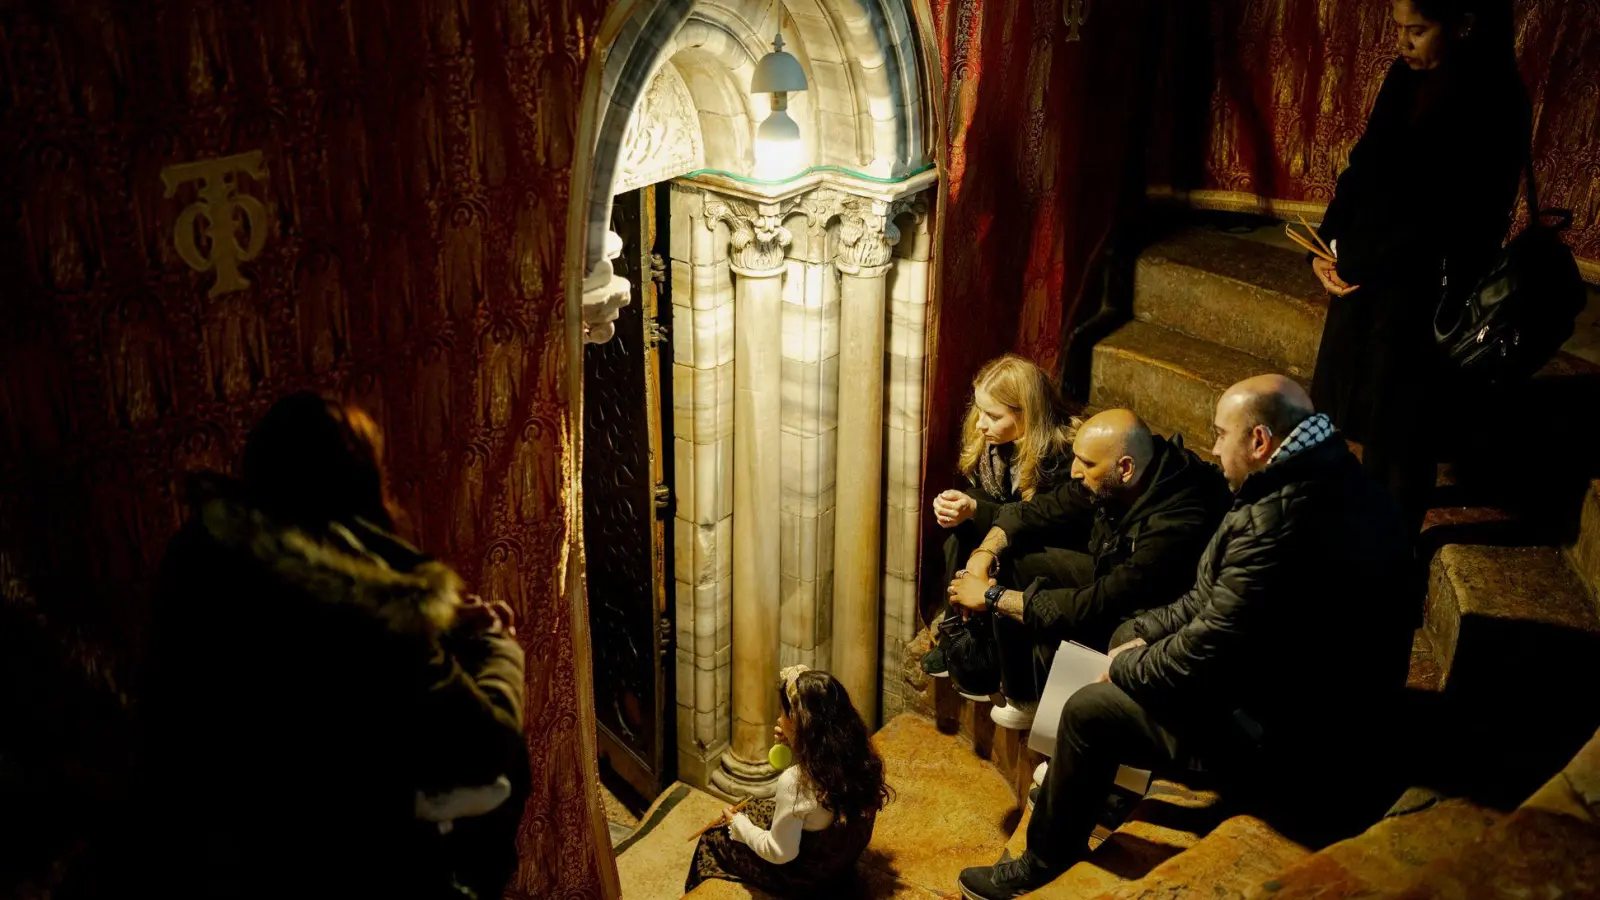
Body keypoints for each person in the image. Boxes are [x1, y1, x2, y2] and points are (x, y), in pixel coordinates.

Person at [957, 376, 1412, 900]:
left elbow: (1207, 647)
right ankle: (1090, 782)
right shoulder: (1317, 478)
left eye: (1221, 434)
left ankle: (1040, 863)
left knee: (1090, 708)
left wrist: (1126, 666)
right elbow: (1209, 600)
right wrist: (1143, 635)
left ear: (1260, 441)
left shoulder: (1275, 521)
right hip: (1286, 681)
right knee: (1130, 630)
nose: (1213, 447)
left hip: (1288, 730)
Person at [128, 393, 528, 899]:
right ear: (362, 485)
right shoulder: (375, 605)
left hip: (203, 857)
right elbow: (485, 746)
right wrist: (498, 646)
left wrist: (441, 622)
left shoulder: (204, 558)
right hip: (349, 866)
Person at [1309, 0, 1530, 537]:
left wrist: (1367, 260)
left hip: (1426, 289)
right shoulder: (1402, 77)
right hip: (1368, 275)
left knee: (1403, 432)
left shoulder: (1495, 95)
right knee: (1348, 409)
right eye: (1398, 30)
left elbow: (1459, 213)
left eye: (1418, 31)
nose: (1403, 44)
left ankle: (1390, 549)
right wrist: (1328, 241)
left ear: (1462, 24)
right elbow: (1366, 162)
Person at [945, 409, 1231, 731]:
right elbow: (1039, 511)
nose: (1076, 471)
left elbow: (1099, 602)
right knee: (1016, 557)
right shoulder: (1116, 473)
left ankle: (1069, 739)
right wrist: (982, 556)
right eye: (1077, 459)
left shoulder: (1177, 522)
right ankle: (1024, 697)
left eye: (1087, 464)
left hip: (1155, 615)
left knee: (1095, 626)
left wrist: (992, 596)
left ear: (1125, 468)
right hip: (1111, 577)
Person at [922, 355, 1079, 695]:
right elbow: (999, 502)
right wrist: (961, 506)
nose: (980, 423)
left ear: (1027, 414)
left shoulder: (1062, 456)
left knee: (986, 533)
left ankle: (986, 650)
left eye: (993, 416)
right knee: (962, 523)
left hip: (1056, 544)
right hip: (1013, 525)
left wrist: (977, 510)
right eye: (979, 410)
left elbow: (1034, 520)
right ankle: (956, 628)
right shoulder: (995, 445)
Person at [686, 666, 891, 897]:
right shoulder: (860, 755)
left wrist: (738, 826)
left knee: (714, 837)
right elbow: (813, 796)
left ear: (796, 721)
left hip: (806, 877)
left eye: (783, 714)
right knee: (756, 807)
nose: (778, 720)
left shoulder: (794, 783)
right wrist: (796, 742)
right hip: (840, 859)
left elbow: (780, 852)